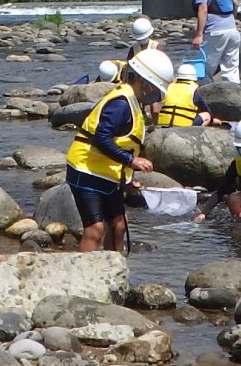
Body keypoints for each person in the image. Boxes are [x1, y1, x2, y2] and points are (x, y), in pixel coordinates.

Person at [66, 48, 173, 253]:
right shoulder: (121, 104)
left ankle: (114, 267)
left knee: (119, 224)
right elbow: (101, 138)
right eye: (154, 89)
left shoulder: (133, 103)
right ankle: (84, 275)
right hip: (86, 170)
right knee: (95, 228)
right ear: (143, 83)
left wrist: (127, 179)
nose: (155, 95)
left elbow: (123, 142)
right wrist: (131, 161)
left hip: (106, 172)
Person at [180, 0, 241, 84]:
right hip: (232, 30)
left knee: (205, 68)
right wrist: (231, 21)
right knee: (231, 69)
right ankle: (235, 97)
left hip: (215, 31)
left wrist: (199, 35)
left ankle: (206, 99)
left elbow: (203, 8)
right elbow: (235, 3)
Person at [155, 63, 211, 128]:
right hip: (184, 126)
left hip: (164, 124)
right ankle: (195, 134)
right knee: (207, 115)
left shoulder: (169, 87)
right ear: (194, 78)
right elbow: (204, 108)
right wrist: (213, 119)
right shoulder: (193, 90)